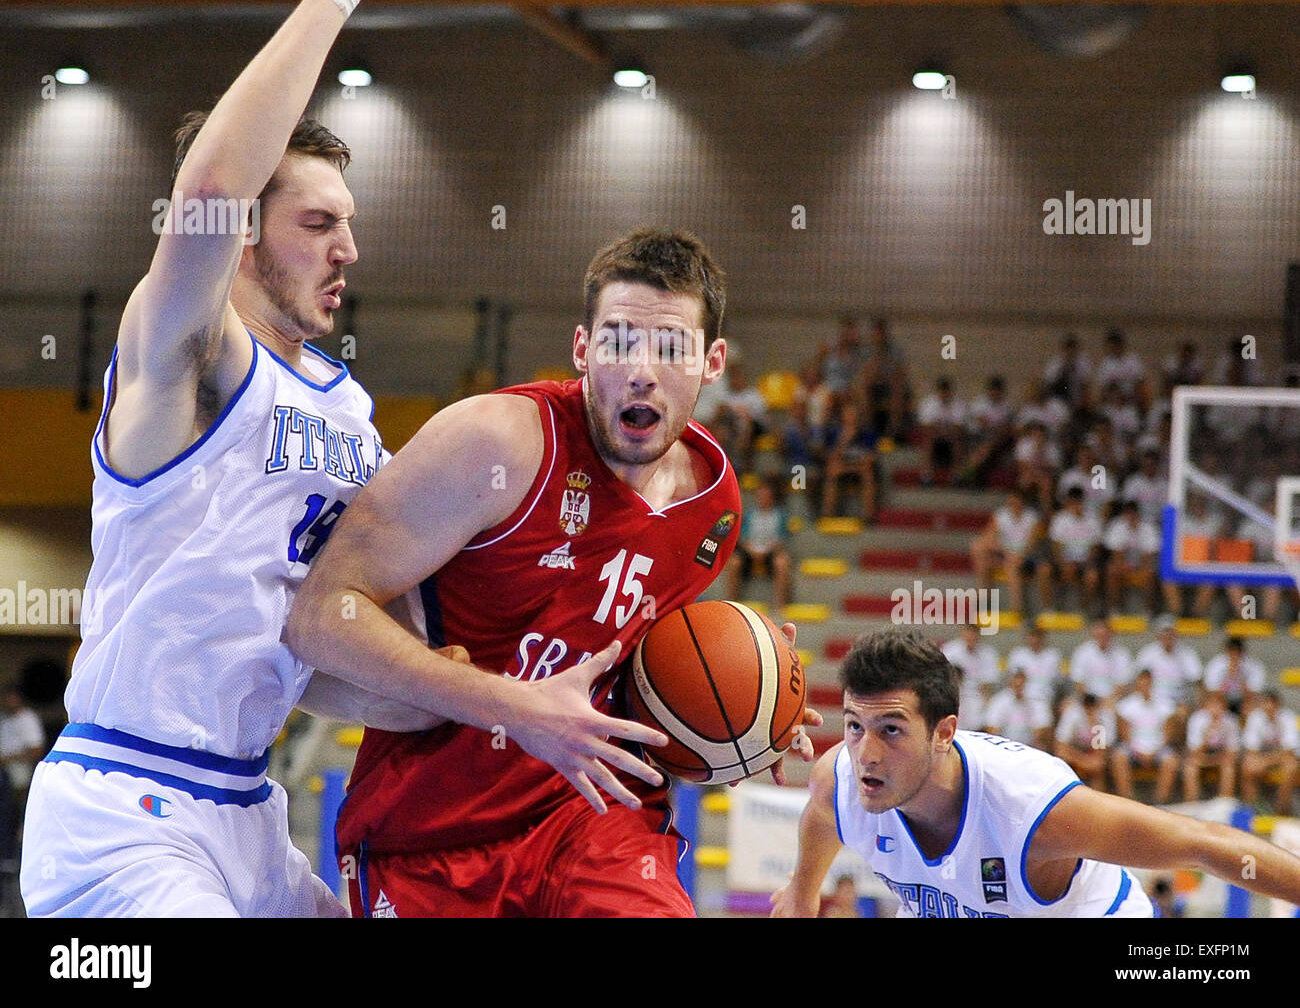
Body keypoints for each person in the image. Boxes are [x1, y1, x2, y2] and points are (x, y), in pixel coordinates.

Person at [19, 0, 491, 920]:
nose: (348, 250)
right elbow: (206, 192)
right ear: (245, 236)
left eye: (350, 224)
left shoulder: (353, 416)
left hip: (246, 810)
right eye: (317, 221)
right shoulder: (183, 358)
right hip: (122, 810)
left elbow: (308, 647)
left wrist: (477, 694)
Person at [287, 229, 819, 917]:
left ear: (712, 361)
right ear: (581, 348)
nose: (641, 370)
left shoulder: (713, 504)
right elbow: (317, 617)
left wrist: (752, 716)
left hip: (592, 817)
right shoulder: (494, 443)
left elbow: (641, 668)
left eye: (670, 347)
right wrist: (515, 706)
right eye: (618, 340)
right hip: (430, 833)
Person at [771, 630, 1300, 918]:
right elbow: (821, 816)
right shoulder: (839, 779)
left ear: (943, 732)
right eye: (854, 726)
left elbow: (1201, 842)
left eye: (890, 730)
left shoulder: (1031, 809)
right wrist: (802, 888)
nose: (865, 753)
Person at [1111, 669, 1178, 803]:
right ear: (1137, 683)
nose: (1145, 686)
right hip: (1134, 747)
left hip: (1158, 747)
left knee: (1171, 761)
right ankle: (1127, 802)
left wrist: (1154, 751)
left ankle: (1160, 803)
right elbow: (1124, 734)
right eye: (1142, 682)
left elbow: (1168, 733)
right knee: (1118, 757)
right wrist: (1138, 751)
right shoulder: (1126, 705)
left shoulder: (1165, 704)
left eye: (1148, 682)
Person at [726, 477, 794, 609]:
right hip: (750, 552)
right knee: (734, 562)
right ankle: (732, 602)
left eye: (766, 495)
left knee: (782, 562)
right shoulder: (749, 515)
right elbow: (743, 539)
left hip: (770, 553)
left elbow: (782, 541)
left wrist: (768, 550)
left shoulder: (780, 516)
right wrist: (752, 550)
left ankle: (780, 604)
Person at [0, 684, 43, 862]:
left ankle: (19, 859)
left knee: (21, 821)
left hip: (22, 778)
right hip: (4, 777)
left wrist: (9, 759)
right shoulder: (3, 720)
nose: (9, 701)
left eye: (12, 697)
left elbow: (36, 750)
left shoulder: (28, 718)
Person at [1241, 691, 1298, 814]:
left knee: (1291, 767)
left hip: (1280, 758)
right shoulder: (1255, 717)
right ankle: (1252, 810)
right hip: (1265, 758)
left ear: (1277, 704)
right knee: (1247, 766)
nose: (1266, 707)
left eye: (1268, 703)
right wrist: (1263, 761)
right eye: (1263, 703)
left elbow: (1290, 751)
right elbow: (1251, 750)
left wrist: (1265, 761)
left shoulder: (1288, 717)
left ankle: (1281, 811)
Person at [1181, 691, 1239, 802]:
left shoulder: (1231, 721)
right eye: (1212, 706)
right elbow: (1194, 752)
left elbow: (1232, 752)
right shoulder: (1197, 719)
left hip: (1221, 757)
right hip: (1201, 755)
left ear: (1225, 707)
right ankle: (1192, 804)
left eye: (1219, 706)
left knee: (1229, 767)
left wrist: (1216, 759)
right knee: (1190, 767)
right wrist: (1207, 738)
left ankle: (1224, 803)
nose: (1216, 710)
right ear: (1206, 707)